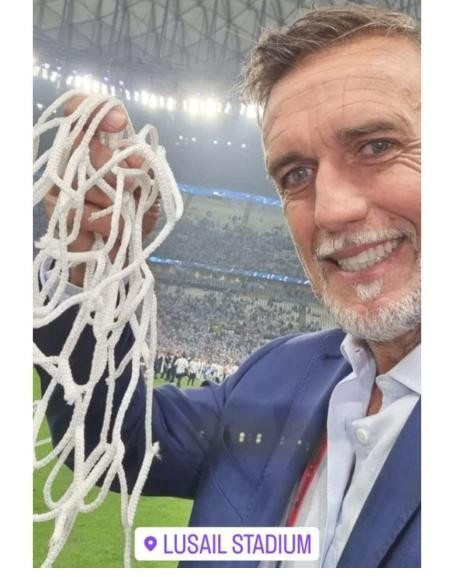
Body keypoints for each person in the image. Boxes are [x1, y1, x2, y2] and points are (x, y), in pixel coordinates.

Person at [34, 4, 420, 568]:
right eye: (296, 175)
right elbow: (110, 439)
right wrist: (91, 268)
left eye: (378, 146)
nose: (332, 209)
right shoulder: (276, 372)